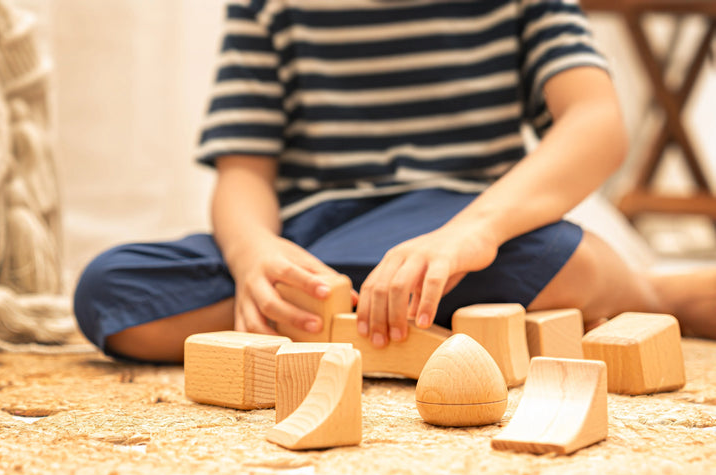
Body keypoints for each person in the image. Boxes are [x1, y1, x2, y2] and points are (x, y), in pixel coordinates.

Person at [73, 0, 715, 363]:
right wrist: (255, 257)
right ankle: (389, 314)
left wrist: (471, 234)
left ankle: (651, 296)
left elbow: (596, 121)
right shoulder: (268, 8)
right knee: (112, 291)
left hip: (459, 228)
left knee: (555, 257)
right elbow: (244, 173)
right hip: (316, 239)